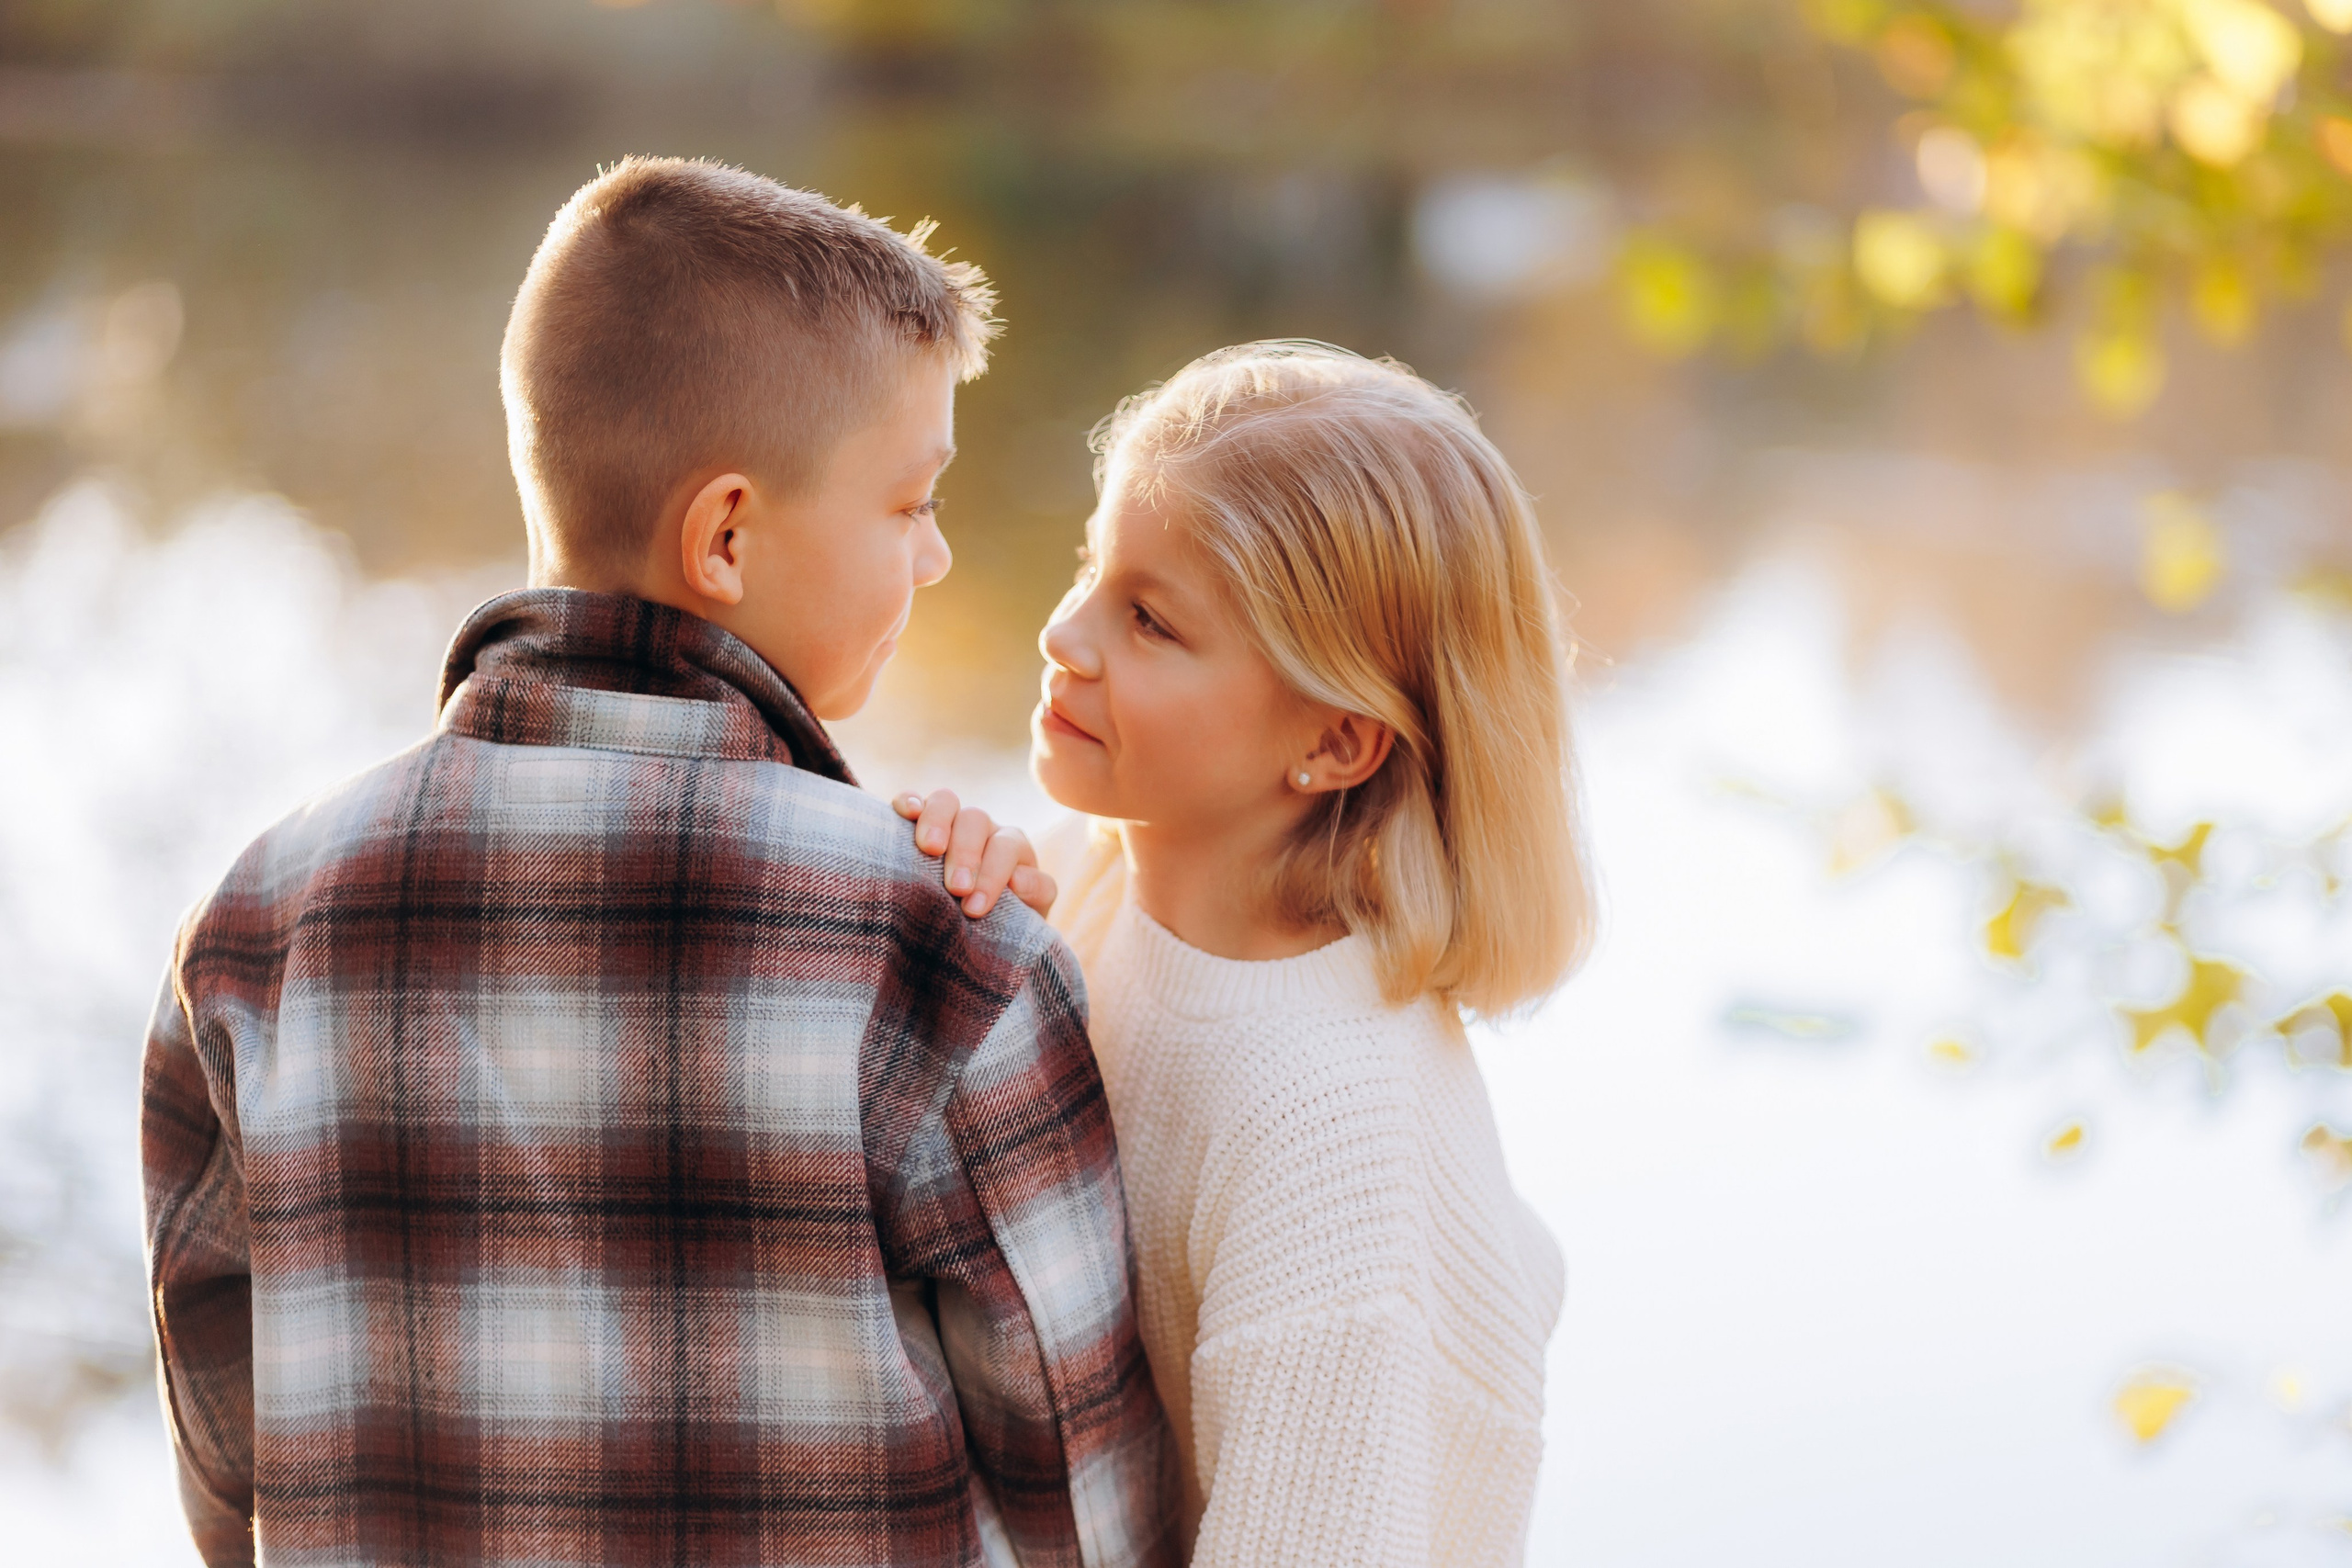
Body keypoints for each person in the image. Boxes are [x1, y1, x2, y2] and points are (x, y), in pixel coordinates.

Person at [139, 157, 1176, 1568]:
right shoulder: (948, 953)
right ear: (729, 534)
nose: (935, 558)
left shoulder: (253, 932)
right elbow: (1089, 1509)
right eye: (910, 503)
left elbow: (227, 1469)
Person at [905, 342, 1589, 1566]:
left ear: (1334, 743)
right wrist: (953, 890)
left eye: (1151, 620)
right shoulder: (1112, 871)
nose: (1065, 634)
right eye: (1089, 568)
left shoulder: (1330, 1136)